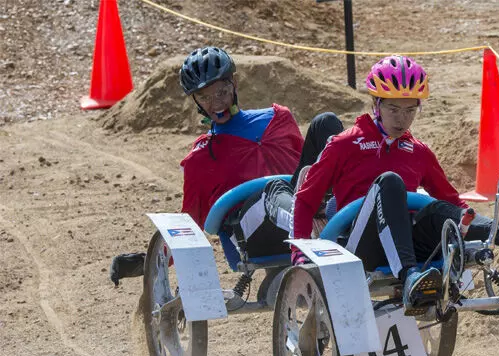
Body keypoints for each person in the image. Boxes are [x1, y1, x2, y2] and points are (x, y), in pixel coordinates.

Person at [290, 55, 499, 316]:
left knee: (438, 210)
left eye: (410, 111)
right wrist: (298, 252)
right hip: (362, 246)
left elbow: (452, 201)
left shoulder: (418, 151)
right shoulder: (344, 145)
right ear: (376, 104)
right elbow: (305, 199)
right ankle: (409, 277)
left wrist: (468, 219)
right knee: (390, 183)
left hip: (410, 239)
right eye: (393, 110)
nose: (401, 119)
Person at [109, 46, 343, 286]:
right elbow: (190, 222)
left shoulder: (278, 118)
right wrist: (146, 261)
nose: (216, 103)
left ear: (235, 83)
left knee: (325, 123)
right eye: (205, 97)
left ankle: (338, 211)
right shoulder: (201, 156)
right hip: (252, 233)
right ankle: (311, 224)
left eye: (222, 92)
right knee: (273, 188)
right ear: (195, 100)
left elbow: (303, 169)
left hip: (297, 200)